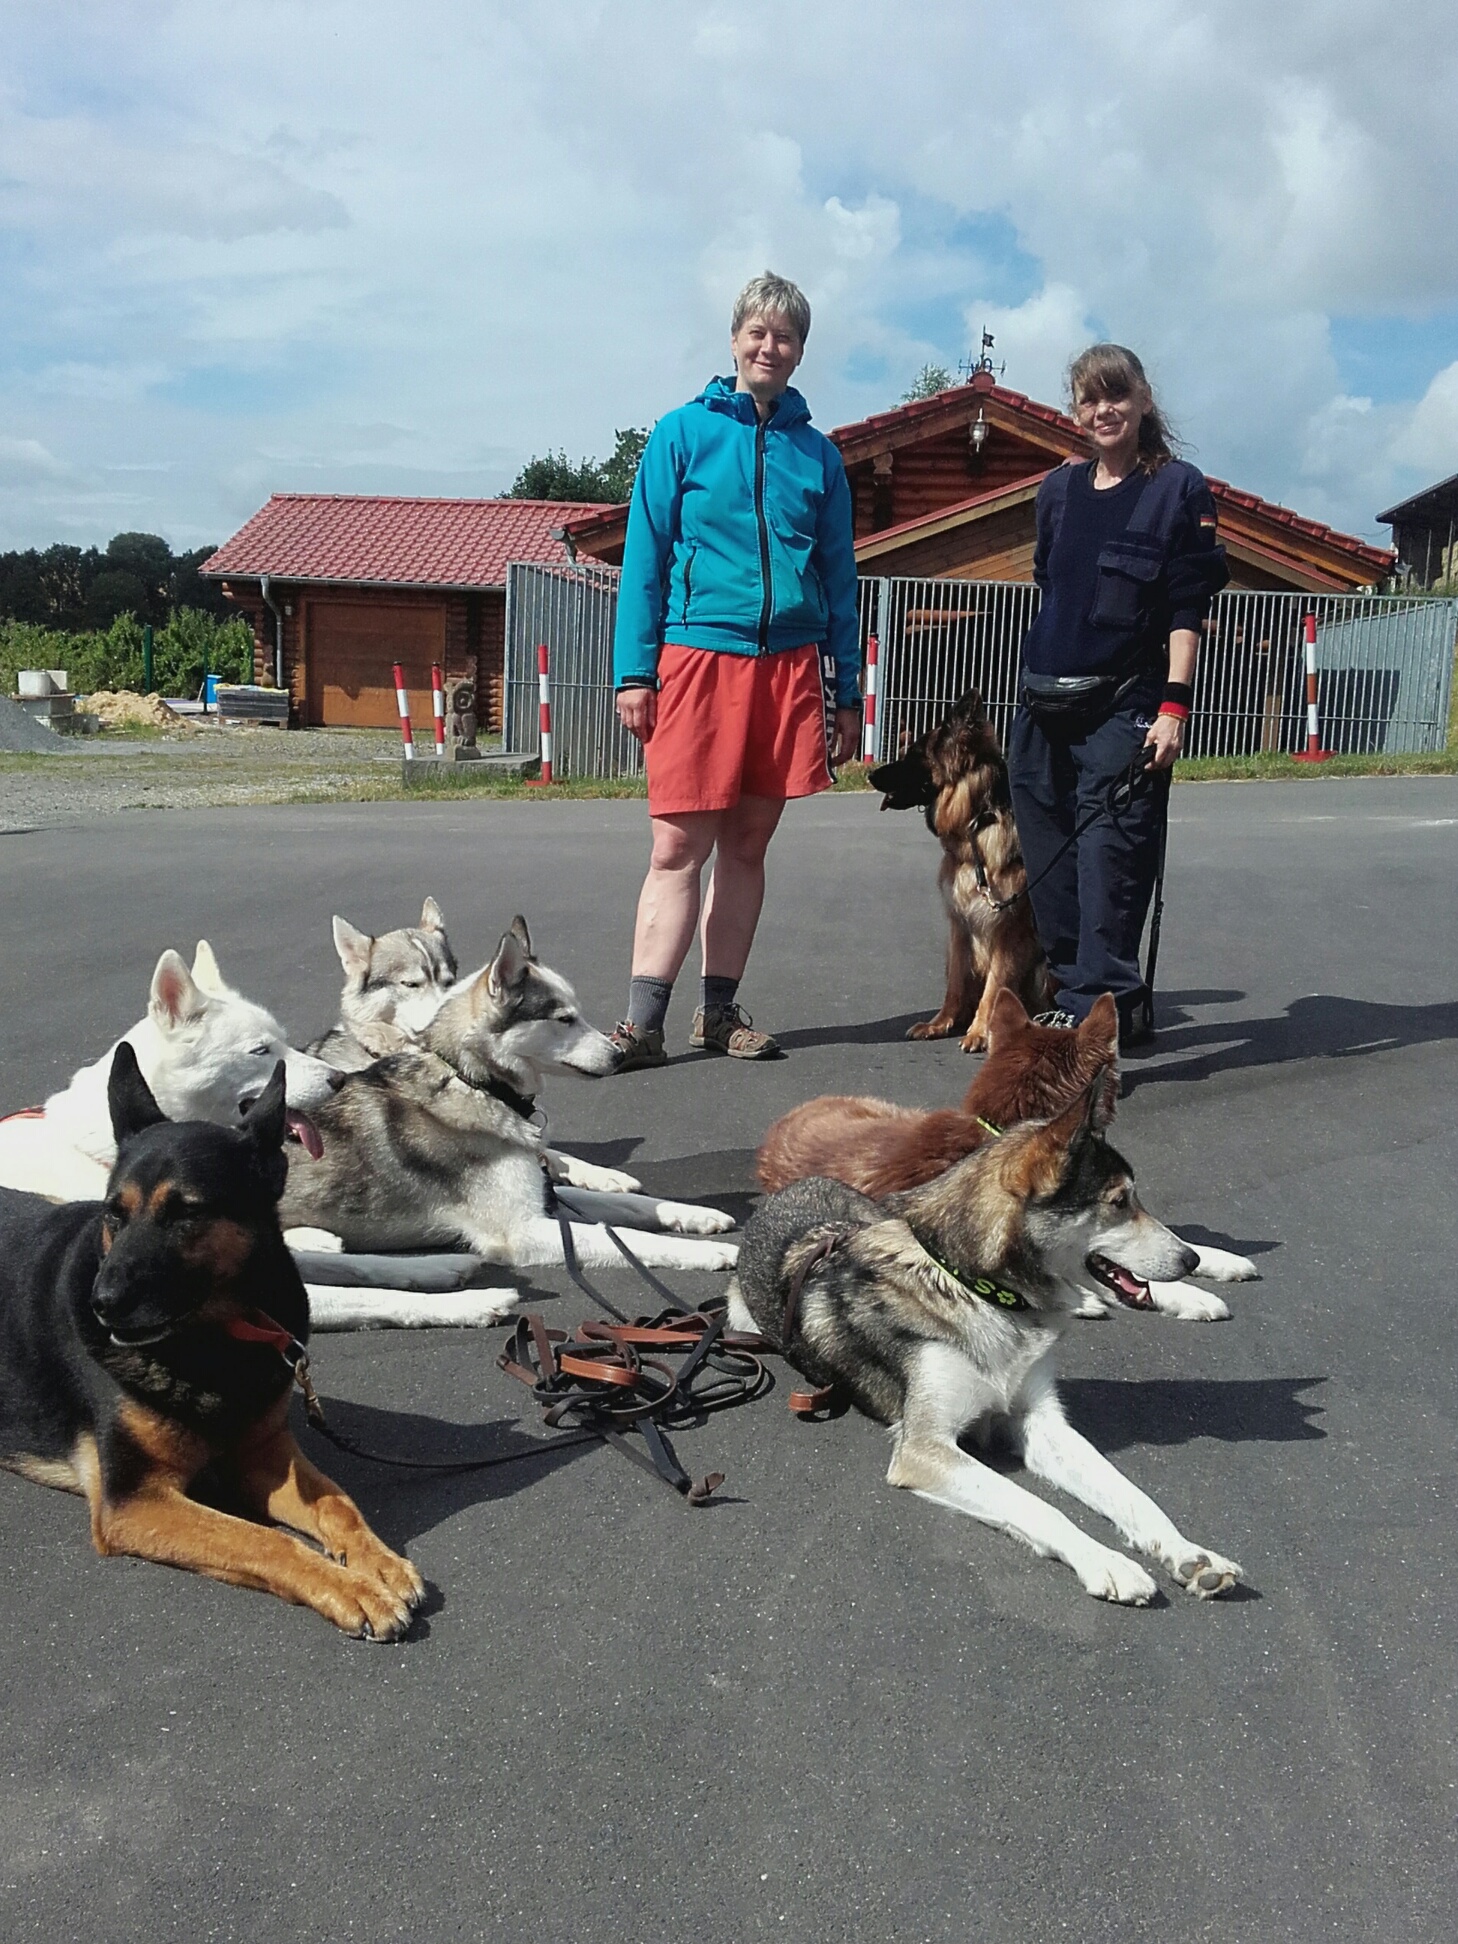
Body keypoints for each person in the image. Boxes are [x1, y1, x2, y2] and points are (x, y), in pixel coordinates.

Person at [606, 271, 862, 1072]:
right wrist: (633, 673)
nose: (768, 346)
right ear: (734, 338)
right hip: (696, 659)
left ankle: (717, 1014)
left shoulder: (818, 457)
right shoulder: (681, 434)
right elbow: (643, 560)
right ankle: (643, 1022)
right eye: (757, 331)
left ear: (799, 351)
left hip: (787, 666)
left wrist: (845, 691)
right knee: (678, 846)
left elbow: (839, 577)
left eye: (784, 336)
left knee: (748, 843)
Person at [1006, 343, 1228, 1047]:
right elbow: (1052, 584)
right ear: (1077, 411)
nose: (1103, 410)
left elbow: (1186, 610)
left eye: (1116, 396)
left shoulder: (1177, 489)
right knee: (1050, 869)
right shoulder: (1057, 491)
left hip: (1123, 708)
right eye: (1088, 399)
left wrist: (1173, 707)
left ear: (1142, 402)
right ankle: (1093, 1002)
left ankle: (1093, 1016)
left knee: (1112, 862)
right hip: (1042, 705)